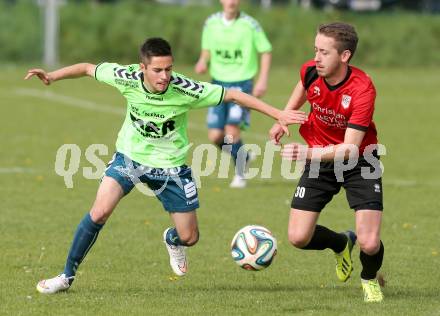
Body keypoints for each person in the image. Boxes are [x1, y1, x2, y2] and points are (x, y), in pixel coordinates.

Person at [25, 37, 306, 294]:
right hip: (129, 158)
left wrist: (277, 113)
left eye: (168, 69)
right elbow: (87, 68)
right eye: (157, 70)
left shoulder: (184, 88)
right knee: (99, 212)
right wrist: (52, 76)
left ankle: (172, 240)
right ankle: (65, 276)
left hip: (171, 167)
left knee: (190, 236)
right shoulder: (126, 77)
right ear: (142, 68)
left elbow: (233, 95)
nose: (165, 76)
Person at [270, 23, 385, 303]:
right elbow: (301, 88)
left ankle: (369, 278)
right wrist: (283, 118)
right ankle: (340, 243)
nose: (317, 58)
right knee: (298, 237)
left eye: (324, 52)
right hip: (320, 157)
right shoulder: (312, 71)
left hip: (360, 160)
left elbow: (349, 149)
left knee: (369, 242)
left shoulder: (362, 89)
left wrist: (307, 154)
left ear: (344, 56)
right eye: (315, 50)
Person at [194, 0, 272, 188]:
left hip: (242, 84)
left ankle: (240, 175)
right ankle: (243, 155)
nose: (231, 1)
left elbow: (266, 50)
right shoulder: (210, 23)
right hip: (218, 84)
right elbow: (206, 50)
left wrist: (262, 79)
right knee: (215, 136)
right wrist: (203, 61)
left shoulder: (250, 24)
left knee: (231, 130)